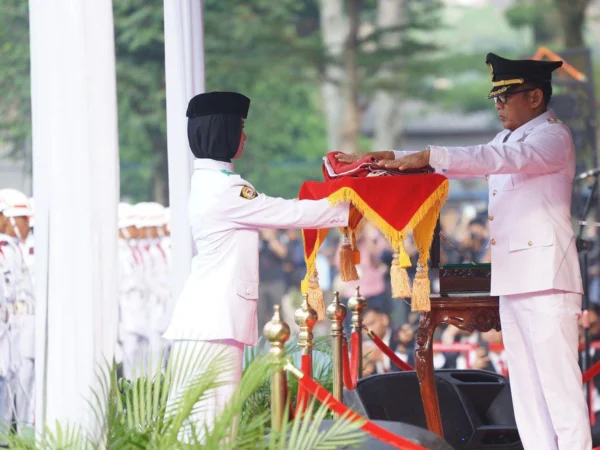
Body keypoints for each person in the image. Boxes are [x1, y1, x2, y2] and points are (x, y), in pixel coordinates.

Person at [336, 53, 592, 449]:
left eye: (507, 97)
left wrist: (433, 155)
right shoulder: (508, 137)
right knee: (526, 393)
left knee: (559, 391)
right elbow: (467, 159)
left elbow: (491, 159)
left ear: (536, 97)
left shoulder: (551, 137)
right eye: (496, 98)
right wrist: (393, 160)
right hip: (514, 280)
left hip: (547, 281)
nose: (498, 105)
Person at [163, 91, 350, 436]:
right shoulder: (226, 189)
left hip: (209, 324)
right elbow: (290, 213)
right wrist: (350, 206)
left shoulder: (210, 182)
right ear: (224, 132)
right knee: (212, 431)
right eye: (240, 127)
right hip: (212, 327)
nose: (245, 136)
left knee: (209, 430)